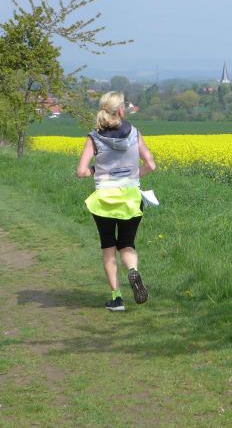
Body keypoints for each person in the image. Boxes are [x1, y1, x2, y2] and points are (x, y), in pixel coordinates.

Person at [76, 91, 156, 311]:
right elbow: (151, 165)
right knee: (127, 244)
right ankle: (133, 271)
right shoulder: (135, 134)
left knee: (108, 246)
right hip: (131, 197)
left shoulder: (94, 137)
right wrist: (133, 176)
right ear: (121, 110)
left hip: (104, 200)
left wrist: (96, 170)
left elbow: (81, 171)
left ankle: (117, 299)